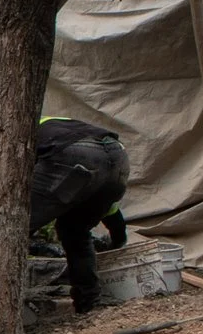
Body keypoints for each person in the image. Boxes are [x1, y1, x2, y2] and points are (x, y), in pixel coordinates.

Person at [31, 116, 130, 313]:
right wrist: (118, 239)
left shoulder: (6, 136)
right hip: (117, 153)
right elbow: (111, 209)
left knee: (15, 226)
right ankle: (89, 303)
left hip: (74, 153)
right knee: (75, 231)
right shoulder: (54, 122)